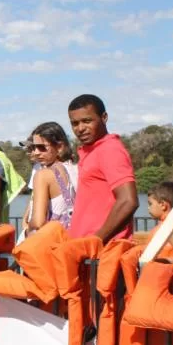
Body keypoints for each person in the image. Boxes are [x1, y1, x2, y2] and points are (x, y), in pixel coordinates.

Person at [67, 94, 138, 242]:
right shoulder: (92, 150)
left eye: (87, 121)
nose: (80, 128)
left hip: (101, 254)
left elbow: (128, 201)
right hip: (85, 251)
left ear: (104, 117)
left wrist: (96, 240)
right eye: (75, 123)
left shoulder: (109, 150)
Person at [26, 122, 77, 235]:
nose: (36, 152)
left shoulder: (43, 175)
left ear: (59, 147)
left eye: (42, 147)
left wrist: (27, 230)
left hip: (52, 243)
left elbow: (38, 222)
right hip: (74, 239)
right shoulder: (77, 169)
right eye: (33, 147)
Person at [146, 181, 173, 263]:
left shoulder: (172, 228)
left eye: (150, 204)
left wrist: (157, 262)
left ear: (163, 205)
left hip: (167, 273)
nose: (148, 208)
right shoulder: (167, 225)